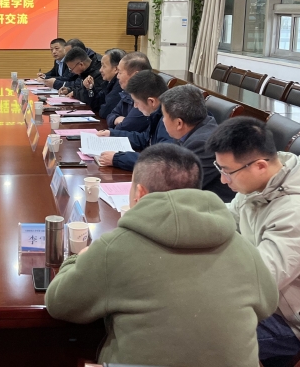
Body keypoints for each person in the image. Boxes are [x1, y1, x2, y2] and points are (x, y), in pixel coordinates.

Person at [45, 144, 278, 367]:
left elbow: (59, 303)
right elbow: (268, 305)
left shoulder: (114, 248)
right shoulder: (243, 247)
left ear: (139, 193)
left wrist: (77, 258)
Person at [206, 117, 300, 364]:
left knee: (195, 334)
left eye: (227, 172)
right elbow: (228, 217)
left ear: (259, 166)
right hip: (273, 302)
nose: (222, 180)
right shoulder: (263, 184)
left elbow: (260, 281)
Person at [159, 85, 235, 202]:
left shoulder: (202, 144)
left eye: (164, 116)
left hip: (214, 207)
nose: (162, 120)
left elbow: (179, 187)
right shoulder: (193, 129)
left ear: (179, 123)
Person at [97, 70, 173, 169]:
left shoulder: (168, 121)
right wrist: (112, 134)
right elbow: (145, 139)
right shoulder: (157, 114)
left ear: (151, 102)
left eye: (136, 102)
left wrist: (117, 158)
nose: (135, 106)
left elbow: (160, 160)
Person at [106, 52, 151, 131]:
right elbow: (110, 115)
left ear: (135, 75)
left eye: (120, 72)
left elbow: (124, 128)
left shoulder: (146, 97)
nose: (117, 76)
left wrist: (118, 122)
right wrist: (116, 119)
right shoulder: (129, 92)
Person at [89, 49, 125, 119]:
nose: (100, 70)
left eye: (104, 66)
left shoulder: (120, 84)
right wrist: (90, 89)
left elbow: (105, 112)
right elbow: (95, 104)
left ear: (116, 69)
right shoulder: (108, 82)